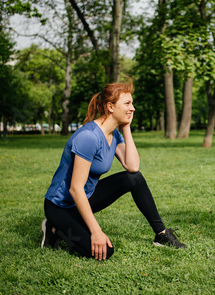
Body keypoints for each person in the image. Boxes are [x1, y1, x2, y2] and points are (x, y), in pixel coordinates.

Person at [41, 82, 186, 260]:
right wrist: (96, 231)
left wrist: (126, 128)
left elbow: (132, 167)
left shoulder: (113, 134)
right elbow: (75, 189)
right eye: (127, 104)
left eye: (132, 103)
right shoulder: (88, 137)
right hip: (60, 206)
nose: (132, 108)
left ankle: (161, 234)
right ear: (110, 107)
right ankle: (54, 228)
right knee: (105, 252)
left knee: (135, 179)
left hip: (85, 199)